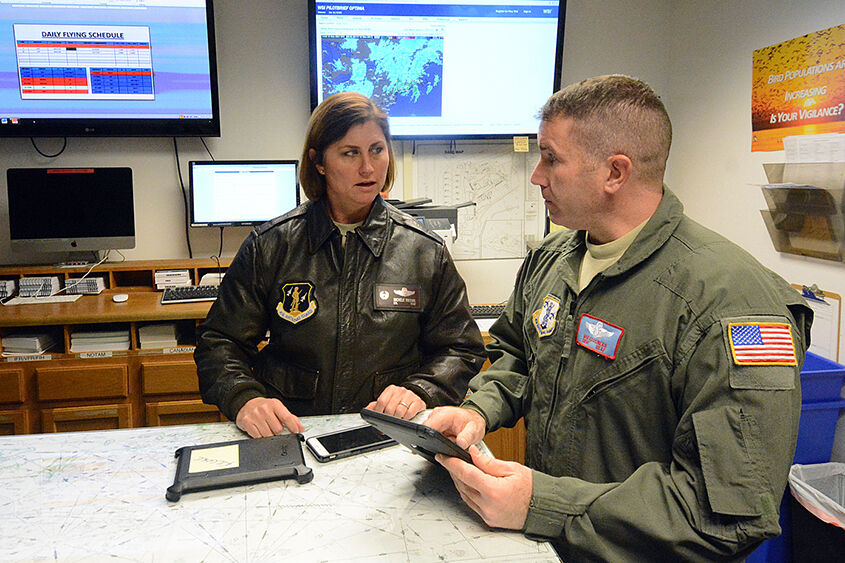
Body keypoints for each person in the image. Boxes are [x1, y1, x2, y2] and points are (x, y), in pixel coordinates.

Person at [425, 75, 813, 561]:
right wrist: (476, 411)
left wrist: (542, 504)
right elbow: (519, 355)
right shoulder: (552, 258)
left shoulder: (732, 304)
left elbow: (724, 516)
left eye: (551, 158)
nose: (536, 176)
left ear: (615, 173)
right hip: (549, 547)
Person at [195, 92, 486, 438]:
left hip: (388, 434)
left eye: (377, 150)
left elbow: (461, 347)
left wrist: (421, 390)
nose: (368, 168)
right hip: (293, 433)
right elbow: (219, 342)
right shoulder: (272, 245)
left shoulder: (423, 251)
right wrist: (244, 398)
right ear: (319, 162)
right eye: (350, 153)